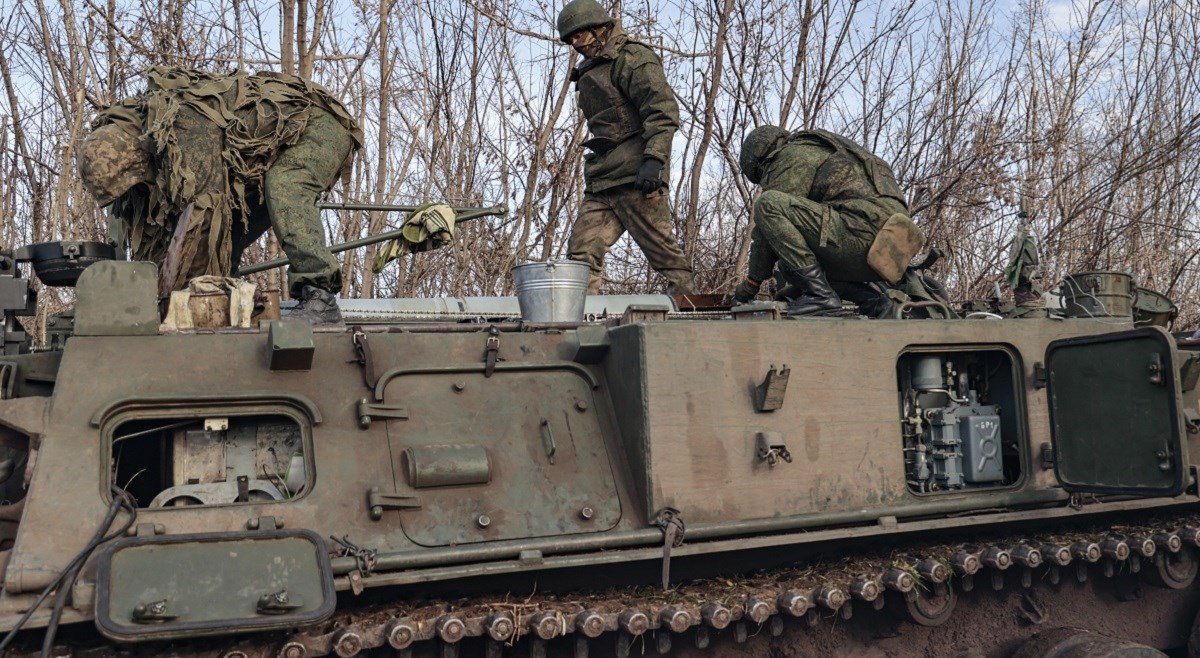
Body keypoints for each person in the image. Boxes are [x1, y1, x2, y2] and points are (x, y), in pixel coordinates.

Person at [76, 67, 362, 324]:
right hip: (264, 157)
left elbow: (203, 215)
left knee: (284, 186)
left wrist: (185, 294)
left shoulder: (186, 132)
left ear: (136, 162)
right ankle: (234, 298)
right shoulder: (153, 141)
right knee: (230, 228)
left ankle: (319, 295)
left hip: (317, 125)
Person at [556, 0, 696, 295]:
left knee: (665, 256)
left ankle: (690, 316)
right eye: (569, 39)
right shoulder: (591, 68)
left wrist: (654, 160)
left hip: (637, 175)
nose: (573, 42)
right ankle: (582, 326)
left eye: (577, 35)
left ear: (596, 28)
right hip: (603, 178)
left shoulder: (632, 58)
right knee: (580, 255)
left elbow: (662, 111)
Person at [732, 126, 923, 316]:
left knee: (768, 203)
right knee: (789, 266)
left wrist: (751, 284)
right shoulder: (827, 150)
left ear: (762, 160)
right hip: (890, 252)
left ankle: (821, 296)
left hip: (862, 234)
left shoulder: (793, 154)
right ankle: (874, 301)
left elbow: (767, 233)